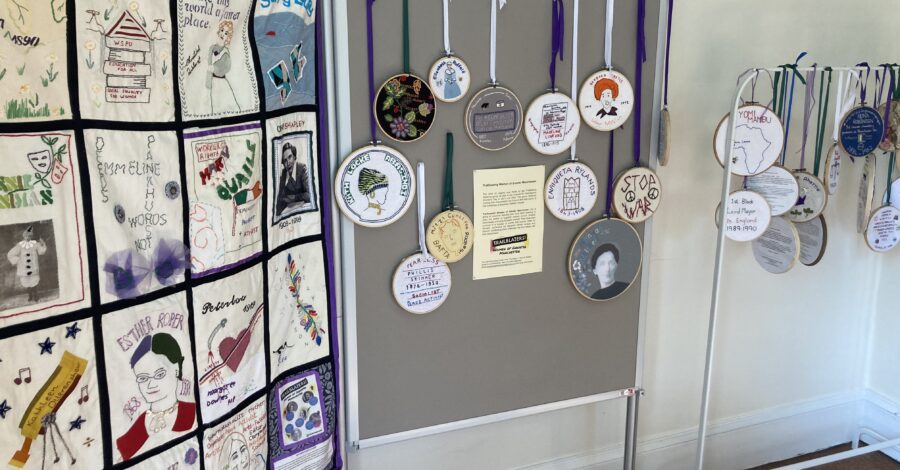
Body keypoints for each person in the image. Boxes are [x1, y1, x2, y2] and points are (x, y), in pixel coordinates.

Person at [116, 333, 196, 461]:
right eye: (142, 378)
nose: (150, 384)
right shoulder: (137, 429)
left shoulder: (190, 413)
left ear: (176, 368)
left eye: (159, 374)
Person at [207, 20, 241, 114]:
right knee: (215, 103)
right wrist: (208, 81)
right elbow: (208, 64)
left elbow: (226, 66)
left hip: (221, 81)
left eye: (226, 33)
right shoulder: (212, 48)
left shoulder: (225, 52)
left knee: (227, 102)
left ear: (228, 37)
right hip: (213, 81)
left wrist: (215, 68)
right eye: (222, 30)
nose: (222, 34)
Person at [6, 225, 47, 302]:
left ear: (31, 236)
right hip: (23, 267)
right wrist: (17, 260)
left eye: (29, 236)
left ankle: (36, 295)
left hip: (33, 266)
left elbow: (41, 252)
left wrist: (42, 244)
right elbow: (10, 254)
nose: (27, 237)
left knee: (34, 281)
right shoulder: (20, 245)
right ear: (23, 237)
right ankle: (30, 295)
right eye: (26, 236)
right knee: (27, 282)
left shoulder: (35, 244)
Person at [275, 142, 311, 217]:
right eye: (285, 160)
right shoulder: (284, 174)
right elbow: (279, 200)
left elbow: (310, 195)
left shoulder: (302, 169)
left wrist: (295, 197)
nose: (288, 163)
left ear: (294, 157)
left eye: (290, 157)